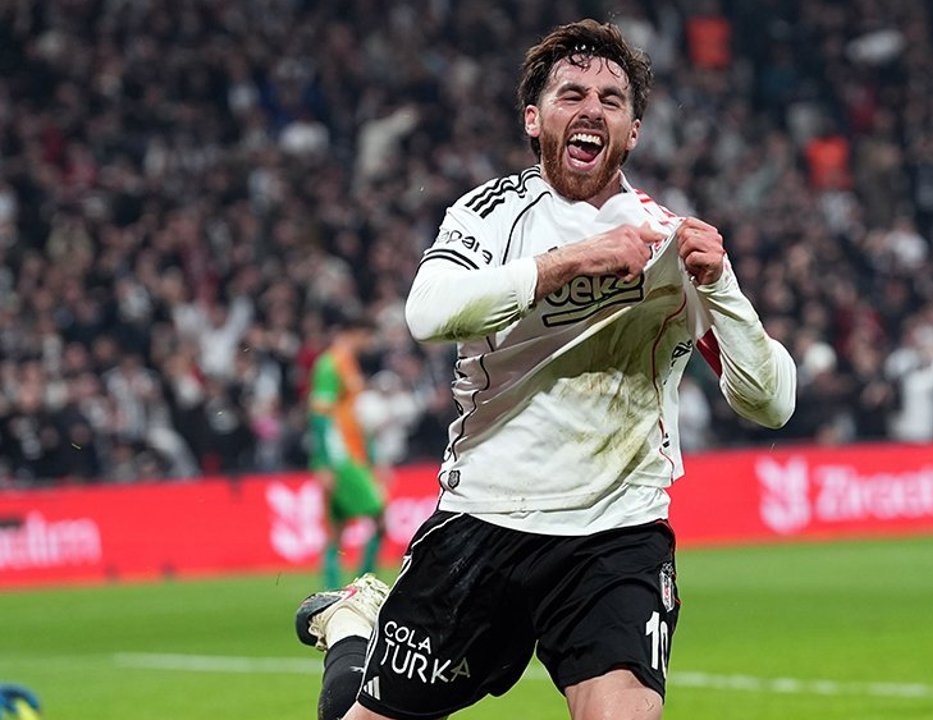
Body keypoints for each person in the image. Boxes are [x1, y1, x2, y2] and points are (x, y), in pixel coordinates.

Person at [296, 18, 795, 720]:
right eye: (571, 94)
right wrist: (573, 262)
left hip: (616, 530)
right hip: (486, 518)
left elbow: (771, 402)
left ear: (633, 132)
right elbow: (427, 313)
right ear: (535, 120)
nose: (591, 109)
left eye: (611, 100)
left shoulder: (670, 245)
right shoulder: (492, 213)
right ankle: (353, 627)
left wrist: (723, 286)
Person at [308, 315, 387, 588]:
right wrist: (323, 463)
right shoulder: (329, 365)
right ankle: (365, 583)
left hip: (352, 456)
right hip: (340, 459)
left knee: (336, 531)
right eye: (369, 337)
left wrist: (373, 458)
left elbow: (357, 419)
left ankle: (332, 592)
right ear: (357, 332)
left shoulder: (347, 364)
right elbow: (319, 416)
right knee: (379, 517)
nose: (371, 344)